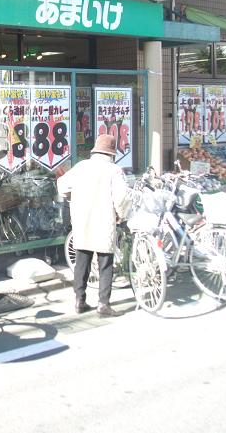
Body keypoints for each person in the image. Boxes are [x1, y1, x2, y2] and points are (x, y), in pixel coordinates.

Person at [56, 134, 131, 318]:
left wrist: (71, 197)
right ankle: (103, 304)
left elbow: (62, 186)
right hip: (104, 220)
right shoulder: (114, 170)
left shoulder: (81, 167)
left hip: (82, 220)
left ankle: (79, 300)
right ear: (111, 153)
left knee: (82, 261)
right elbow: (122, 198)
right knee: (105, 263)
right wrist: (122, 215)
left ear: (95, 151)